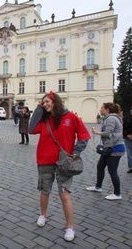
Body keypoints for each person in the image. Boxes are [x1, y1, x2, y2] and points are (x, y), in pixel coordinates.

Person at [29, 91, 90, 242]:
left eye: (47, 101)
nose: (45, 104)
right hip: (45, 159)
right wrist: (38, 110)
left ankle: (70, 226)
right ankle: (43, 214)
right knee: (45, 190)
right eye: (43, 102)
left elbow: (84, 135)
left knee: (64, 195)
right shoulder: (44, 119)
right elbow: (31, 129)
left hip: (64, 162)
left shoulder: (70, 117)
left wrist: (76, 151)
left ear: (55, 101)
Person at [87, 102, 125, 200]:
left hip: (115, 148)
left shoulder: (111, 118)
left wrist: (97, 132)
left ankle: (117, 194)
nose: (100, 109)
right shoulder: (109, 118)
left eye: (102, 108)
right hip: (109, 148)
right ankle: (98, 187)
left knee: (112, 171)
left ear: (107, 109)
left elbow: (108, 134)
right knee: (100, 166)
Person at [123, 107, 132, 173]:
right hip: (128, 137)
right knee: (129, 153)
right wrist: (127, 135)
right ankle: (131, 167)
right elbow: (123, 127)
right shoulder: (127, 118)